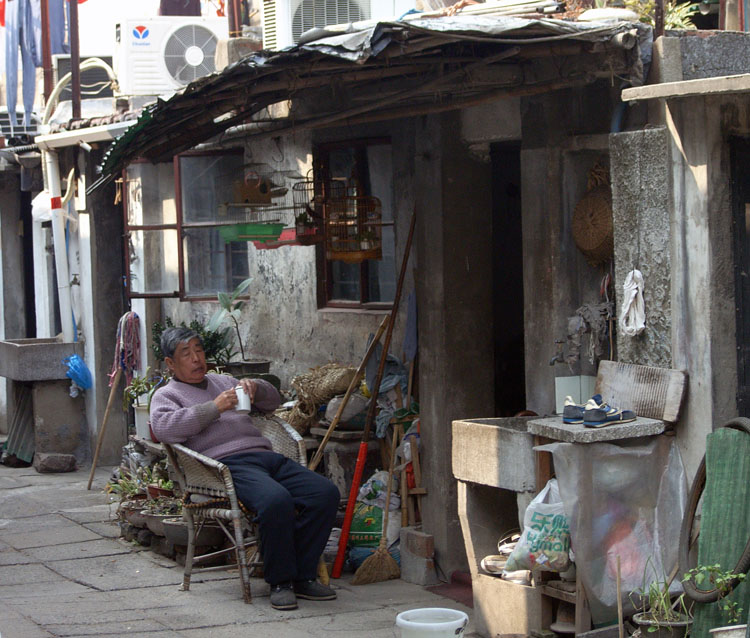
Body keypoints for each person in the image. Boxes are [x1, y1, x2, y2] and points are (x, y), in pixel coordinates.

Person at [150, 326, 340, 611]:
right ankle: (281, 581)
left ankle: (302, 576)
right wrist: (214, 408)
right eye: (186, 354)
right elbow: (164, 429)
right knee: (276, 500)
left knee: (324, 493)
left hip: (264, 456)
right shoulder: (167, 395)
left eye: (199, 351)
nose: (196, 359)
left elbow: (273, 402)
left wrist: (255, 386)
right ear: (170, 363)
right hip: (225, 465)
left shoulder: (222, 380)